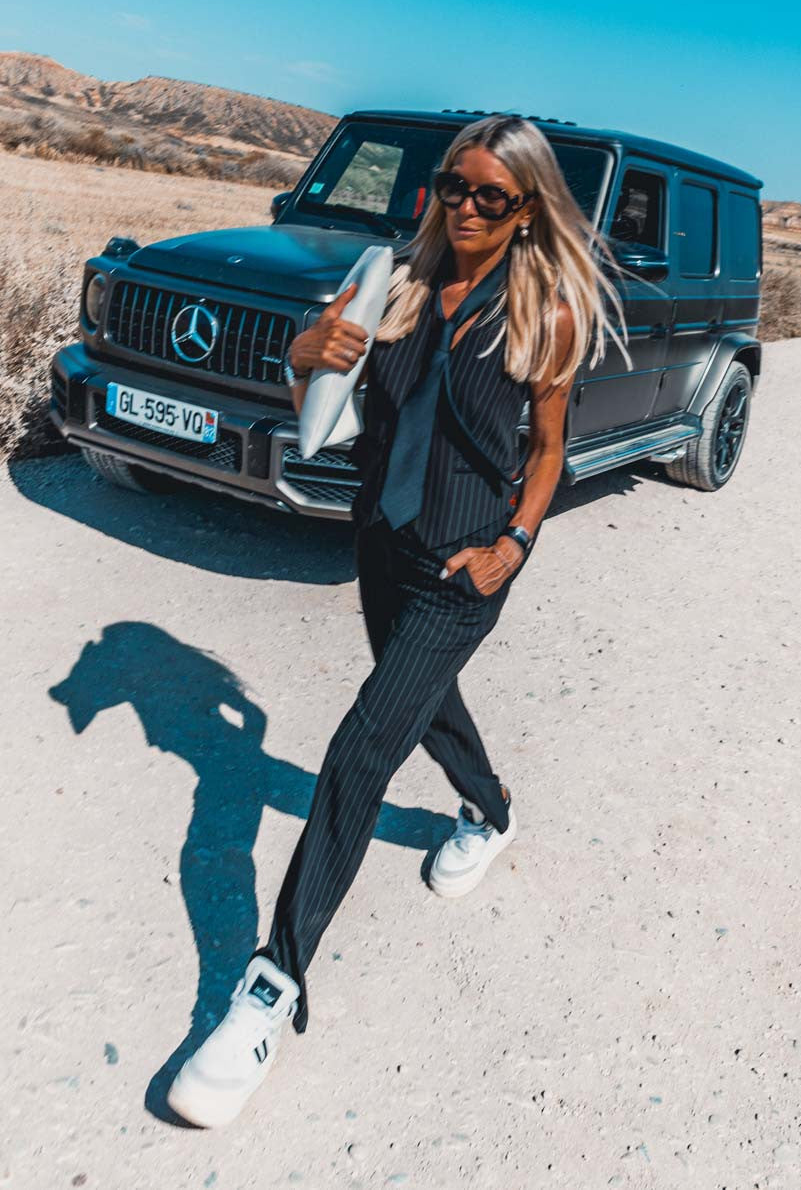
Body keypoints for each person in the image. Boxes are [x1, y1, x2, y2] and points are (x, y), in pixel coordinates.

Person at [166, 114, 631, 1127]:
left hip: (467, 564)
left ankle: (270, 988)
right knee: (417, 702)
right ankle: (490, 809)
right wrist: (302, 352)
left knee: (362, 747)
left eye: (492, 196)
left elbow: (548, 448)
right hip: (382, 539)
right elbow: (316, 388)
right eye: (454, 186)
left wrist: (515, 541)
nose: (466, 207)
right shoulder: (395, 284)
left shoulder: (545, 312)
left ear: (526, 209)